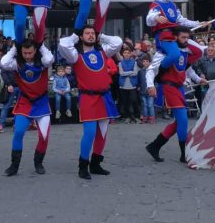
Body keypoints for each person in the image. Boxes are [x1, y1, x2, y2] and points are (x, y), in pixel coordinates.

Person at [57, 26, 123, 180]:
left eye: (93, 33)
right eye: (87, 33)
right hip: (88, 97)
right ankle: (83, 165)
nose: (91, 35)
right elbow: (62, 44)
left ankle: (96, 164)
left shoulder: (103, 51)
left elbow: (118, 42)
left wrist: (102, 36)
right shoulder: (75, 55)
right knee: (89, 133)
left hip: (105, 96)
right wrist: (75, 36)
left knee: (103, 133)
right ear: (81, 37)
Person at [144, 26, 205, 163]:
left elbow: (187, 70)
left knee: (179, 122)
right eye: (183, 37)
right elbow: (151, 70)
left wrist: (198, 79)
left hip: (180, 88)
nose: (186, 40)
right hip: (169, 87)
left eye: (187, 38)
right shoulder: (164, 53)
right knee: (183, 120)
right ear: (175, 38)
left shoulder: (185, 52)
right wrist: (150, 85)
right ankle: (184, 154)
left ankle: (155, 146)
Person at [0, 39, 54, 176]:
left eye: (30, 52)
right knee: (18, 132)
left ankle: (38, 162)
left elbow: (50, 59)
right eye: (24, 53)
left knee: (44, 136)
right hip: (25, 102)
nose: (28, 55)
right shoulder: (17, 63)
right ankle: (14, 165)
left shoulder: (42, 61)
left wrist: (40, 45)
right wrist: (14, 48)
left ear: (35, 51)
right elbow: (3, 63)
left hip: (41, 103)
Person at [146, 0, 207, 72]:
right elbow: (149, 18)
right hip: (165, 36)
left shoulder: (173, 5)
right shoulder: (156, 4)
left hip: (178, 35)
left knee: (199, 52)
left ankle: (180, 69)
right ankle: (161, 73)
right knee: (175, 54)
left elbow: (181, 20)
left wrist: (198, 24)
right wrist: (156, 17)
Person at [117, 46, 141, 124]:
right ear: (122, 54)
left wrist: (126, 73)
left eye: (128, 53)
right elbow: (121, 73)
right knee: (125, 102)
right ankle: (128, 117)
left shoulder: (134, 62)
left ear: (130, 54)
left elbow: (135, 73)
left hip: (132, 85)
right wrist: (130, 72)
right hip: (123, 85)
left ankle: (137, 116)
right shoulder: (120, 63)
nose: (126, 54)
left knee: (134, 100)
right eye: (125, 53)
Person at [137, 54, 155, 123]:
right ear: (142, 62)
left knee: (150, 104)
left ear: (150, 62)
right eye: (144, 61)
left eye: (147, 61)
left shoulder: (152, 71)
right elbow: (139, 81)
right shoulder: (140, 71)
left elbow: (155, 81)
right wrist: (138, 86)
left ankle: (152, 117)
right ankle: (145, 116)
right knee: (144, 105)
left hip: (150, 91)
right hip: (142, 91)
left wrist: (154, 88)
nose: (145, 63)